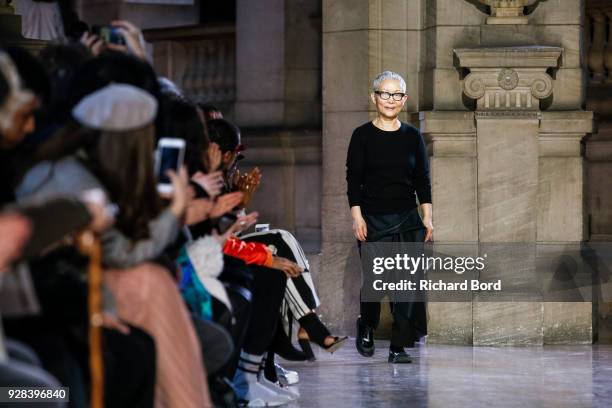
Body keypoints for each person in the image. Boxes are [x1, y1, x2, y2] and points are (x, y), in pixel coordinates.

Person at [346, 71, 433, 364]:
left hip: (408, 217)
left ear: (404, 100)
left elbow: (423, 180)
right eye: (385, 93)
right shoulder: (362, 136)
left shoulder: (412, 136)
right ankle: (366, 324)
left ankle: (398, 345)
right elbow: (353, 180)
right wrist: (357, 217)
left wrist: (428, 218)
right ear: (374, 97)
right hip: (373, 218)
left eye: (397, 95)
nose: (391, 100)